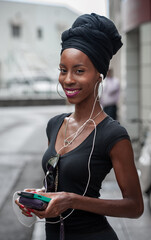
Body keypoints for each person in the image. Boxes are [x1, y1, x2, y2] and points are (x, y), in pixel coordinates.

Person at [15, 13, 144, 240]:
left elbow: (135, 207)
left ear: (99, 76)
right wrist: (43, 197)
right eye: (63, 70)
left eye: (79, 71)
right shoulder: (54, 125)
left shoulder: (114, 135)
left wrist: (71, 200)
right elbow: (61, 184)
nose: (68, 80)